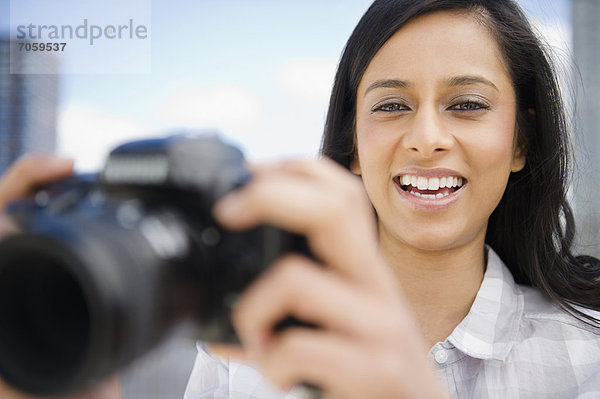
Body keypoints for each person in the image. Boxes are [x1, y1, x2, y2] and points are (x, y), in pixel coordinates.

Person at [1, 1, 599, 398]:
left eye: (467, 104)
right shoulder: (244, 349)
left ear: (521, 140)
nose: (426, 138)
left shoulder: (587, 353)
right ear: (354, 147)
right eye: (391, 106)